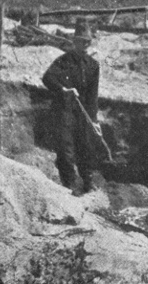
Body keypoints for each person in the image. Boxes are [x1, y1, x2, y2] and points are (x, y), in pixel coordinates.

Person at [42, 17, 101, 196]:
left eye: (87, 42)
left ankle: (88, 183)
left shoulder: (93, 66)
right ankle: (70, 185)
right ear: (74, 42)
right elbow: (47, 78)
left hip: (82, 114)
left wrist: (94, 121)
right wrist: (63, 90)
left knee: (86, 146)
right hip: (64, 111)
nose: (83, 45)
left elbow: (92, 97)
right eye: (80, 41)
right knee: (66, 149)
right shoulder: (63, 61)